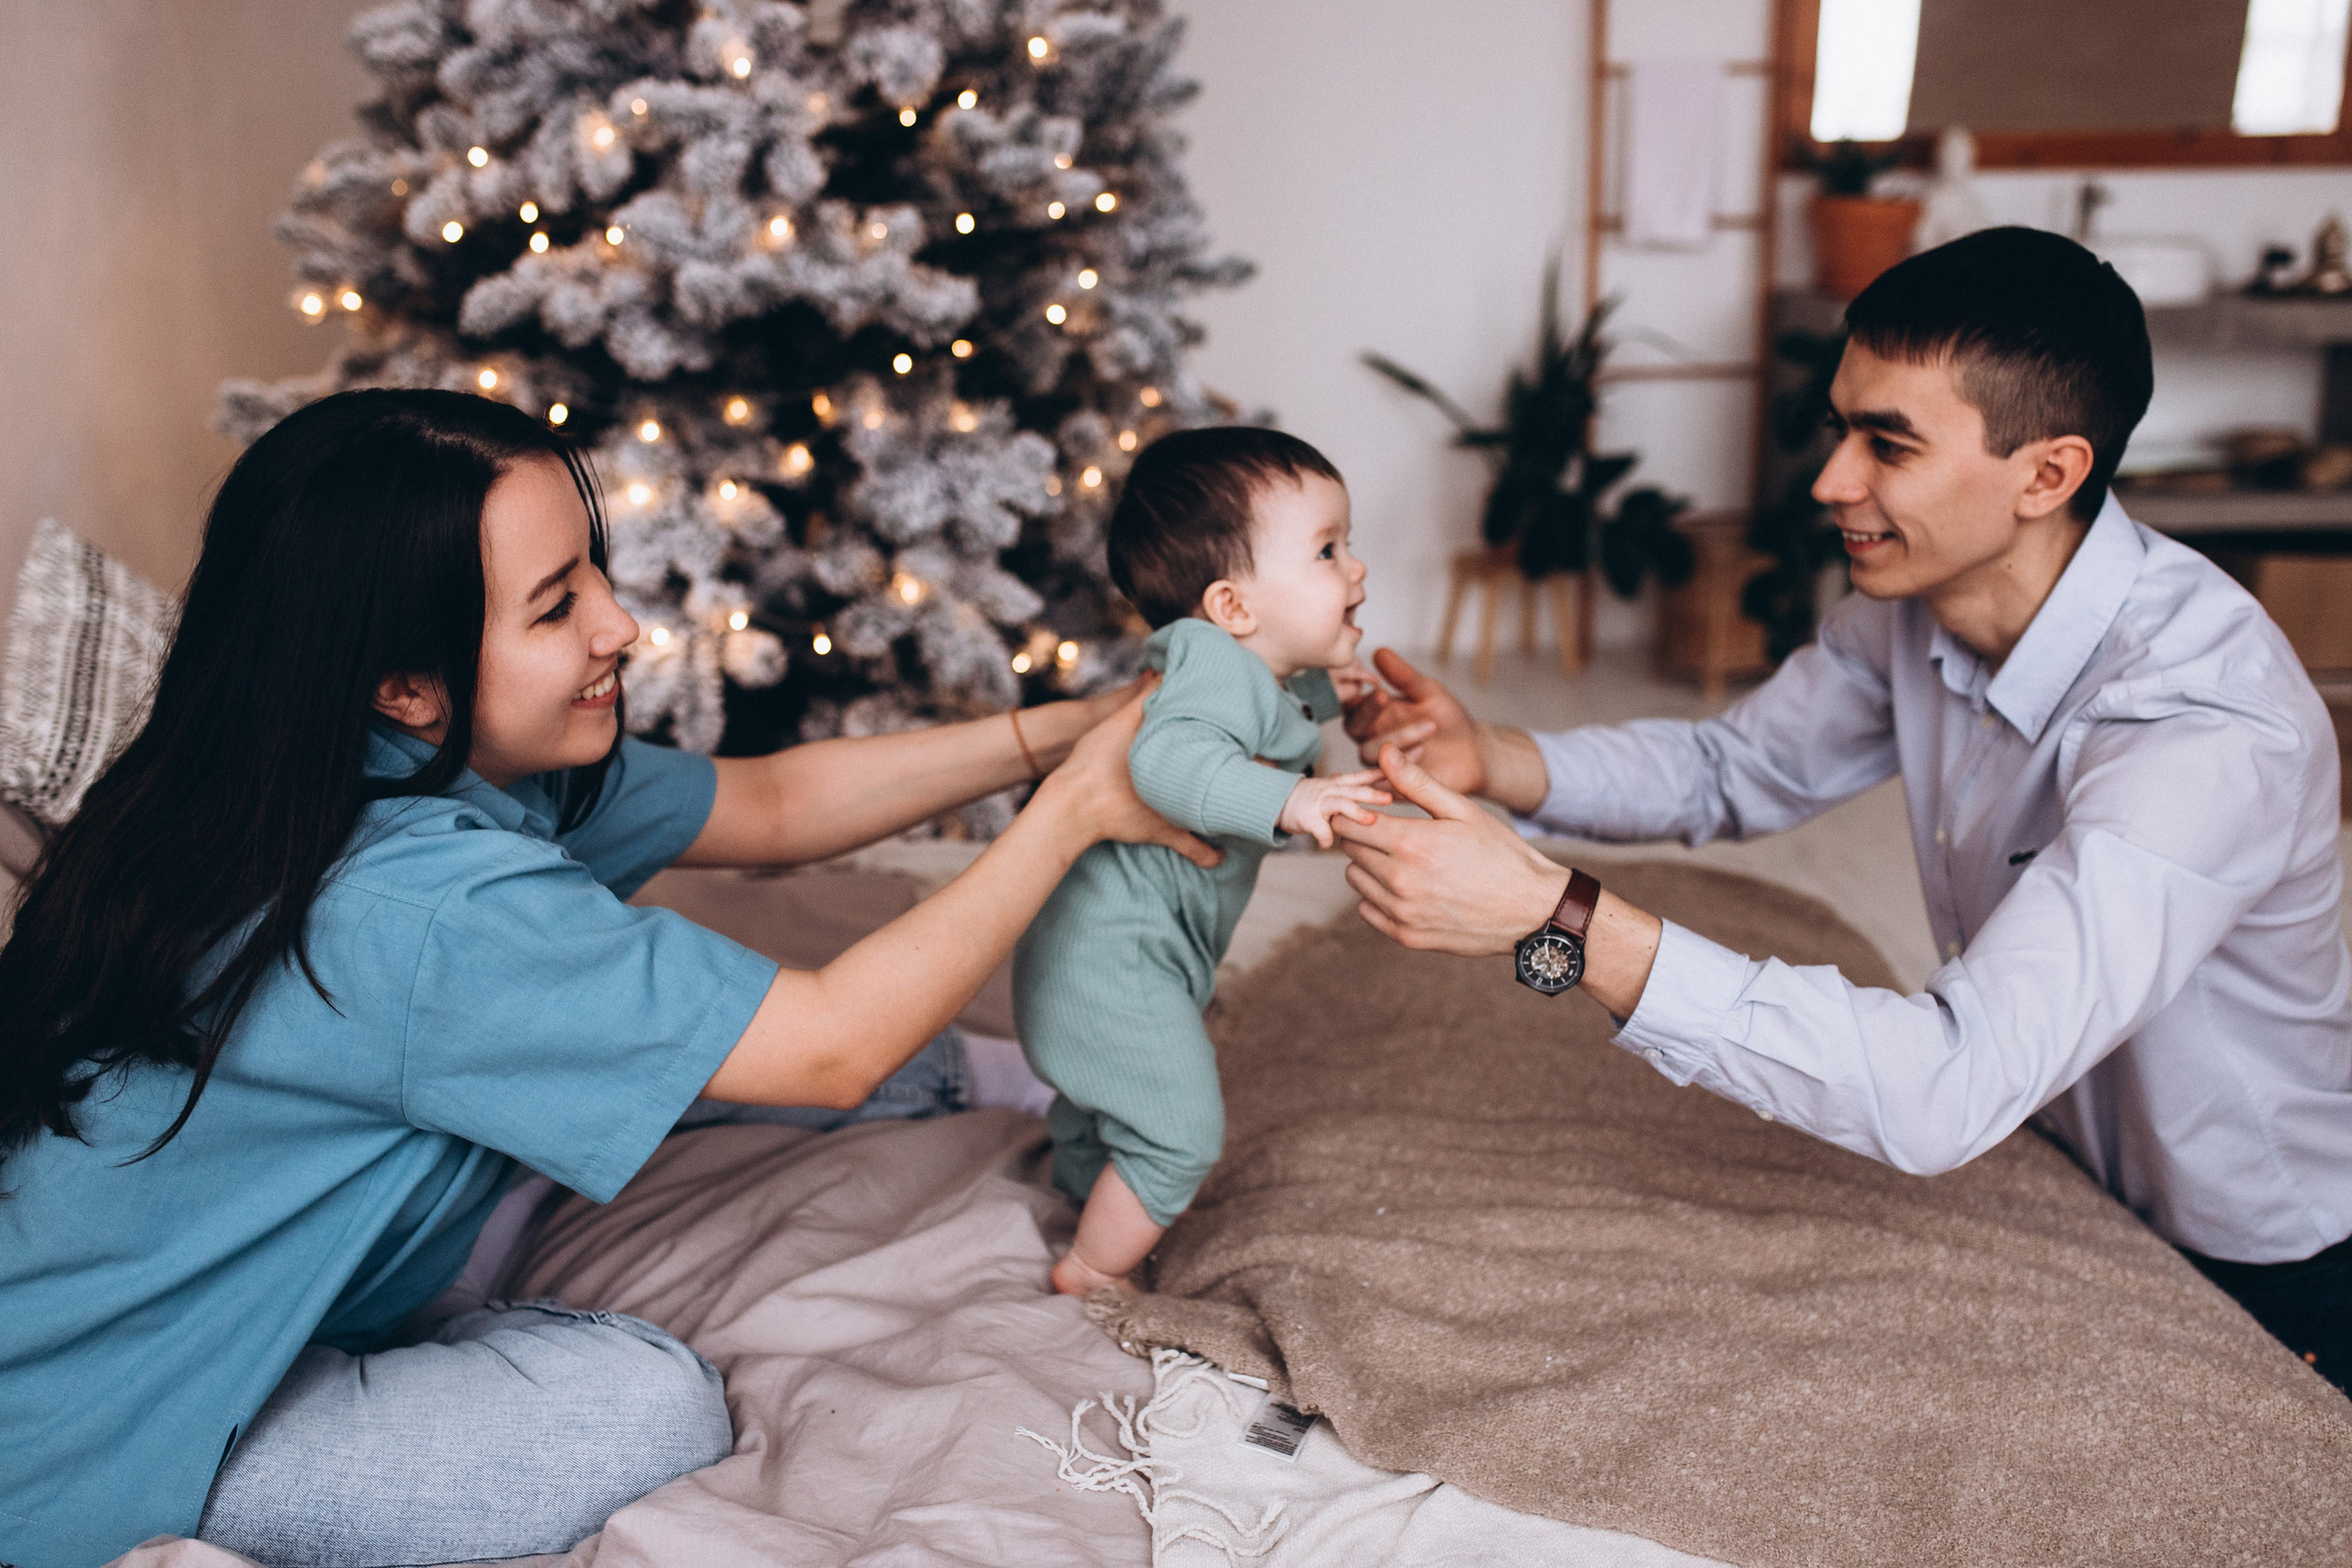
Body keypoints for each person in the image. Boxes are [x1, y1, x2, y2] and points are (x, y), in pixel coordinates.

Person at [0, 388, 1216, 1568]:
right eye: (552, 607)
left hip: (130, 1305)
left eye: (592, 571)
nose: (618, 625)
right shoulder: (424, 905)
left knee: (689, 1037)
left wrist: (1077, 726)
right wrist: (1071, 813)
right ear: (405, 683)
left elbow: (773, 803)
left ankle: (939, 1083)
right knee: (651, 1405)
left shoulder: (343, 762)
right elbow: (831, 1044)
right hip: (109, 1440)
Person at [1337, 227, 2352, 1394]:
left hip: (2258, 1264)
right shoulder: (1913, 604)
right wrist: (1493, 757)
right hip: (2055, 1166)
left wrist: (1559, 920)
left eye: (1889, 445)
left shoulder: (2205, 726)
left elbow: (1946, 1085)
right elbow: (1733, 770)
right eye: (1841, 428)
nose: (1830, 483)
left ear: (2047, 476)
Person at [1014, 428, 1387, 1295]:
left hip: (1097, 961)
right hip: (1116, 966)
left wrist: (1340, 692)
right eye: (1328, 550)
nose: (1357, 569)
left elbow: (1274, 708)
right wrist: (1293, 801)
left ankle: (1092, 1187)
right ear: (1232, 607)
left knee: (1106, 1111)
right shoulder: (1213, 670)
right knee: (1180, 1130)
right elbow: (1171, 764)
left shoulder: (1232, 667)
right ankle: (1093, 1271)